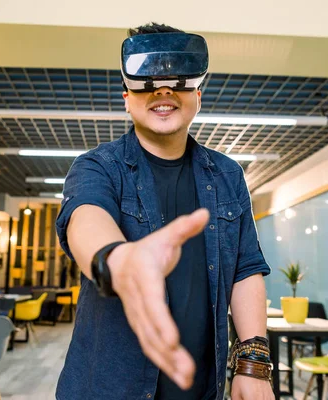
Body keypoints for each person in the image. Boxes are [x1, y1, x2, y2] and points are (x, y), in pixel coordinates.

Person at [55, 22, 274, 400]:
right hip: (107, 389)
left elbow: (246, 268)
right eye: (148, 83)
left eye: (177, 81)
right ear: (126, 97)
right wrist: (117, 261)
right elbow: (85, 217)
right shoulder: (98, 166)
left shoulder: (227, 175)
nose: (164, 91)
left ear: (198, 95)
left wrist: (252, 364)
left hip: (201, 387)